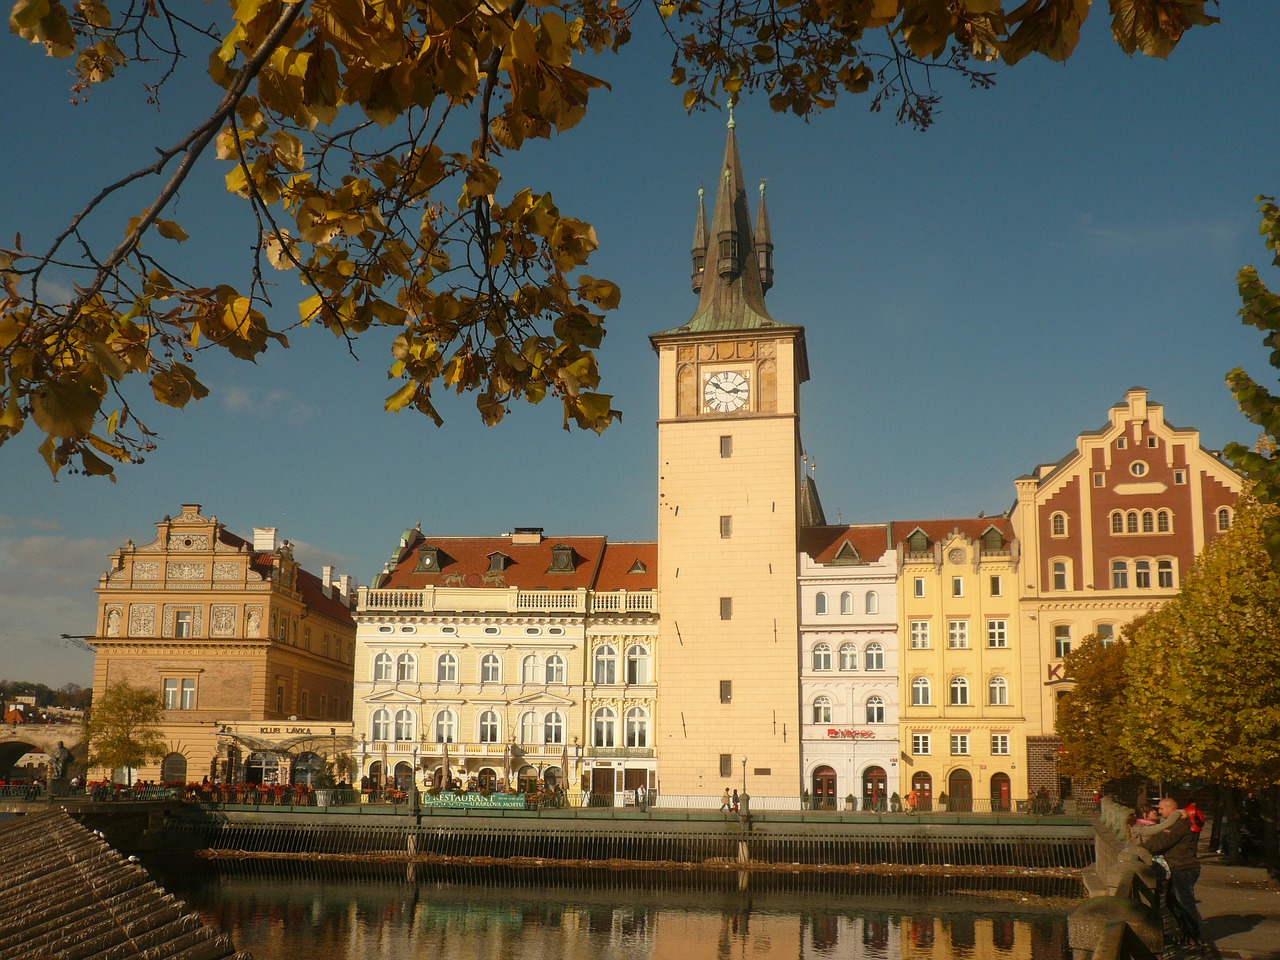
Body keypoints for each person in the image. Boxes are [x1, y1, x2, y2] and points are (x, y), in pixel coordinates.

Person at [1144, 797, 1203, 946]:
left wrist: (1143, 848)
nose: (1159, 811)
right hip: (1178, 867)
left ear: (1171, 809)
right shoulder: (1172, 823)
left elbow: (1163, 841)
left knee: (1184, 902)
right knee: (1173, 902)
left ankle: (1193, 936)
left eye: (1161, 808)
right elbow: (1160, 838)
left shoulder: (1177, 825)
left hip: (1183, 868)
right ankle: (1186, 934)